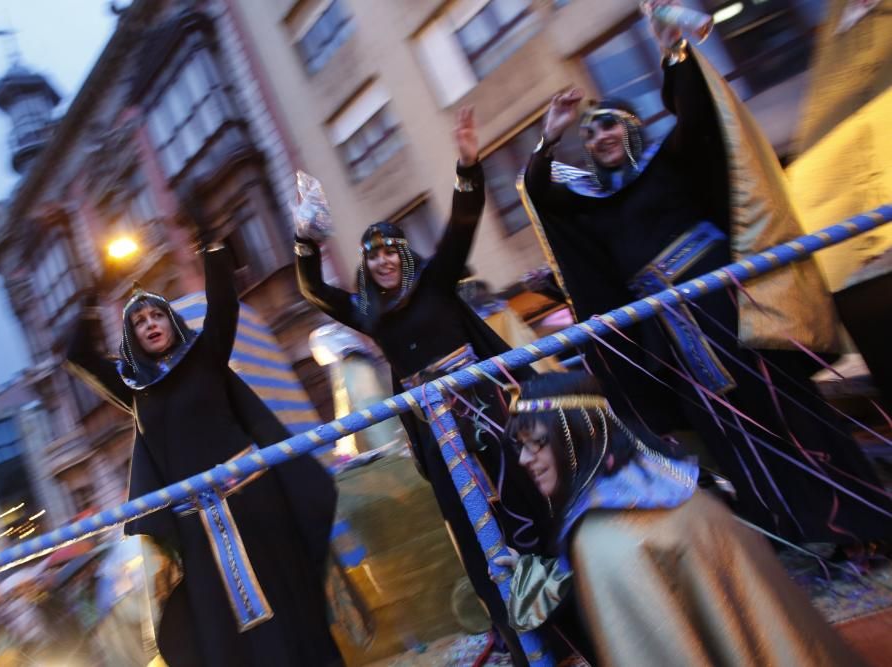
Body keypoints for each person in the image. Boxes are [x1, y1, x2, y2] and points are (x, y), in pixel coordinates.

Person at [519, 0, 891, 546]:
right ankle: (799, 537)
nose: (600, 138)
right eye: (591, 135)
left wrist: (674, 51)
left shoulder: (670, 161)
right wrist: (550, 138)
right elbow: (542, 192)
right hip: (669, 337)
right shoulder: (592, 204)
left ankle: (861, 521)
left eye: (611, 126)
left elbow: (695, 111)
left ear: (632, 129)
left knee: (788, 412)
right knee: (728, 435)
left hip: (729, 312)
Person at [295, 108, 564, 663]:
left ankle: (567, 622)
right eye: (373, 255)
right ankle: (523, 636)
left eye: (392, 249)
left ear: (406, 256)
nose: (384, 259)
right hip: (439, 438)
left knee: (522, 502)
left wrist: (468, 160)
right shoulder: (369, 315)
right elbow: (315, 291)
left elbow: (463, 222)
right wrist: (304, 239)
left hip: (486, 414)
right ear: (366, 270)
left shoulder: (438, 283)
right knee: (473, 528)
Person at [66, 202, 341, 666]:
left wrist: (205, 236)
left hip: (257, 502)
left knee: (290, 601)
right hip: (196, 525)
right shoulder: (136, 390)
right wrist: (94, 293)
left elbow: (223, 299)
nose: (151, 324)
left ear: (172, 323)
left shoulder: (207, 356)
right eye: (139, 322)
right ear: (131, 339)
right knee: (223, 626)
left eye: (157, 316)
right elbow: (78, 355)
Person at [497, 372, 861, 666]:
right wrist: (533, 577)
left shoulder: (605, 534)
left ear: (577, 438)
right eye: (522, 447)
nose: (525, 460)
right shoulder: (667, 481)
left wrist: (531, 589)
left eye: (538, 443)